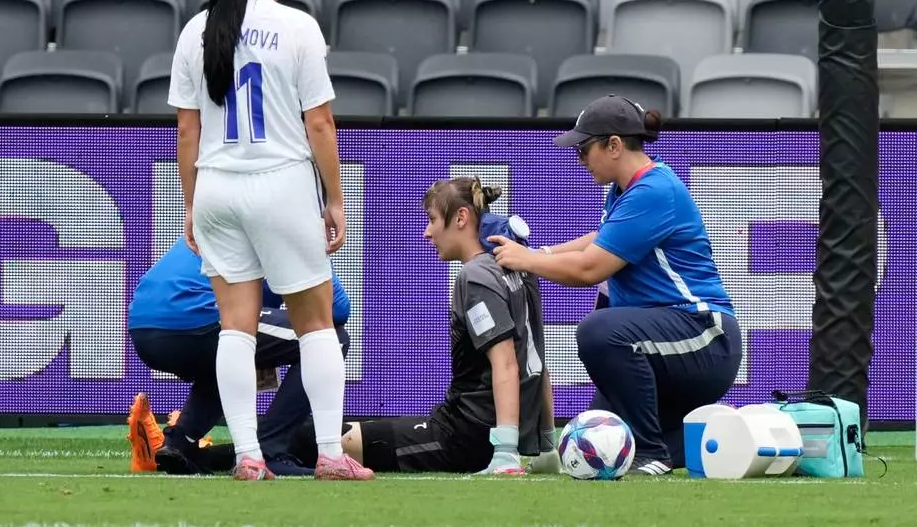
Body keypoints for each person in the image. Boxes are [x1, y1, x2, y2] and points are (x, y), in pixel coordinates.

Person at [167, 0, 372, 481]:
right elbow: (321, 124)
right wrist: (334, 198)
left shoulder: (197, 31)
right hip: (280, 183)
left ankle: (248, 456)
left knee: (236, 326)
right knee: (317, 323)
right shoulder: (297, 27)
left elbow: (187, 133)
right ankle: (331, 453)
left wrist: (190, 203)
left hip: (217, 185)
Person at [489, 95, 743, 475]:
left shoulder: (654, 190)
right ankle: (726, 437)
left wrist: (528, 261)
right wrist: (543, 252)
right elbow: (599, 239)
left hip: (706, 336)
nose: (579, 159)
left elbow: (589, 269)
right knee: (601, 440)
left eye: (584, 148)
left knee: (598, 332)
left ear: (613, 145)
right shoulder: (625, 190)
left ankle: (652, 454)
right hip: (669, 341)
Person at [291, 181, 554, 475]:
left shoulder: (476, 275)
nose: (426, 232)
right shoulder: (520, 267)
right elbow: (537, 361)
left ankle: (243, 454)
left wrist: (505, 452)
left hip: (465, 436)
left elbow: (506, 363)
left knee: (307, 438)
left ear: (461, 218)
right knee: (331, 432)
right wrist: (548, 446)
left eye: (432, 220)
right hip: (481, 431)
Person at [125, 236, 352, 476]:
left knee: (230, 354)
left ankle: (180, 443)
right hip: (195, 317)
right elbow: (336, 308)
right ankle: (269, 450)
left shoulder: (225, 207)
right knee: (331, 339)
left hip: (143, 329)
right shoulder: (283, 220)